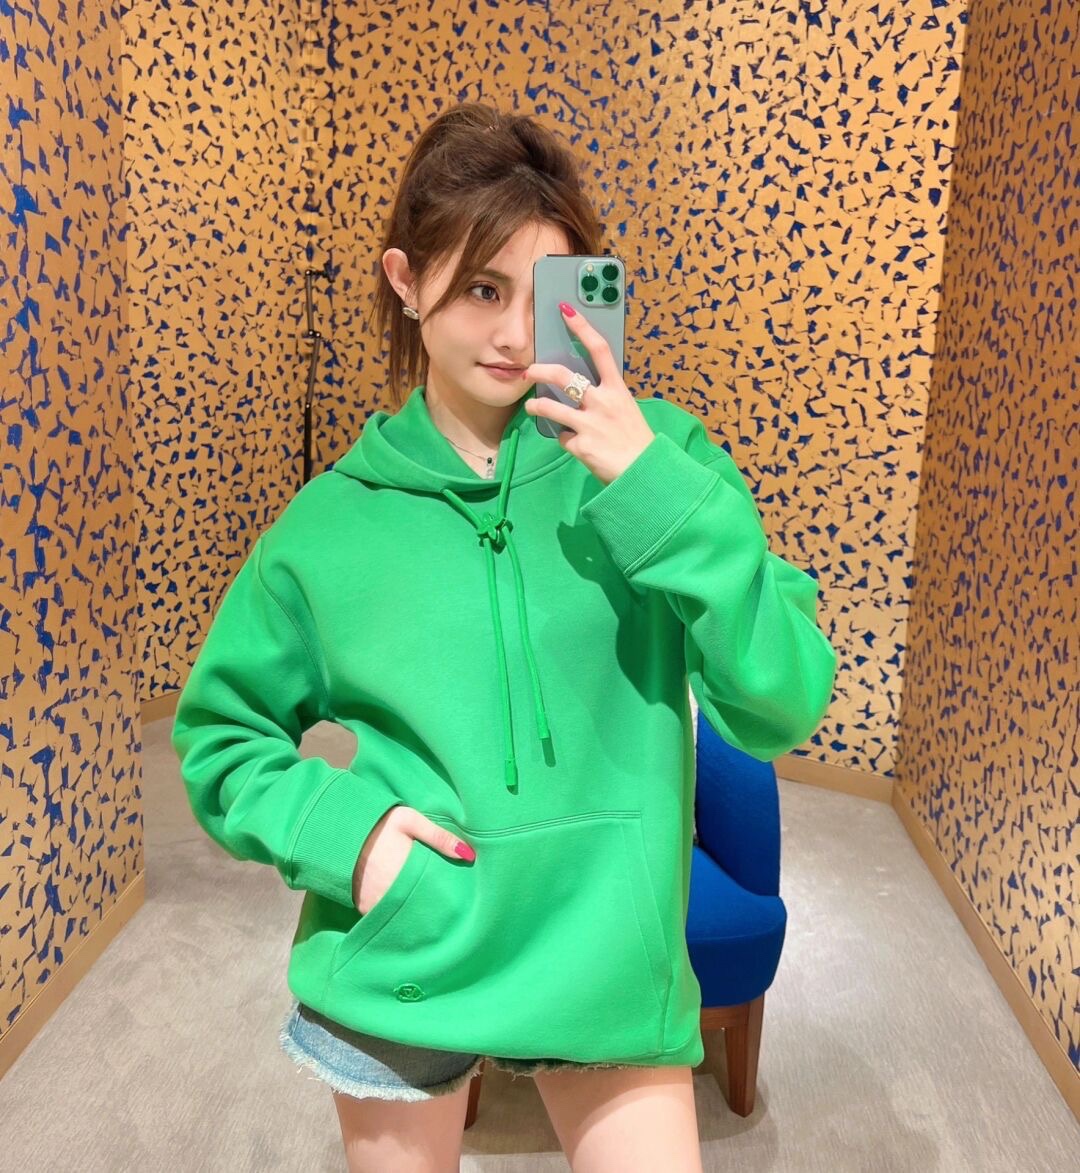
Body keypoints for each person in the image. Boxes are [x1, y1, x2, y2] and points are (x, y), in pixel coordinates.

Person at [171, 102, 837, 1173]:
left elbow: (783, 700)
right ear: (406, 281)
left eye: (548, 294)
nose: (520, 336)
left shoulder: (663, 459)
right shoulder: (330, 525)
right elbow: (220, 738)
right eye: (483, 289)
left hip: (605, 958)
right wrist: (354, 838)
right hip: (410, 947)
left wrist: (652, 490)